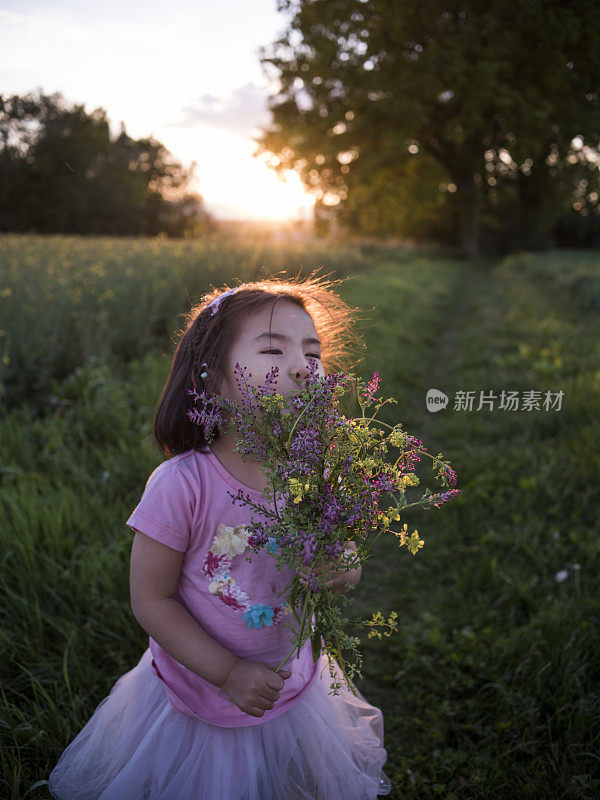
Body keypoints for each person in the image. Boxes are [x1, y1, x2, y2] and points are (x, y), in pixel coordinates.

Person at [47, 274, 392, 800]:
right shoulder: (183, 485)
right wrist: (227, 672)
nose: (304, 365)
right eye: (274, 349)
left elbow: (347, 564)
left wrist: (339, 567)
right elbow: (152, 599)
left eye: (314, 352)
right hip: (203, 687)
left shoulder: (319, 473)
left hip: (291, 678)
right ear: (212, 380)